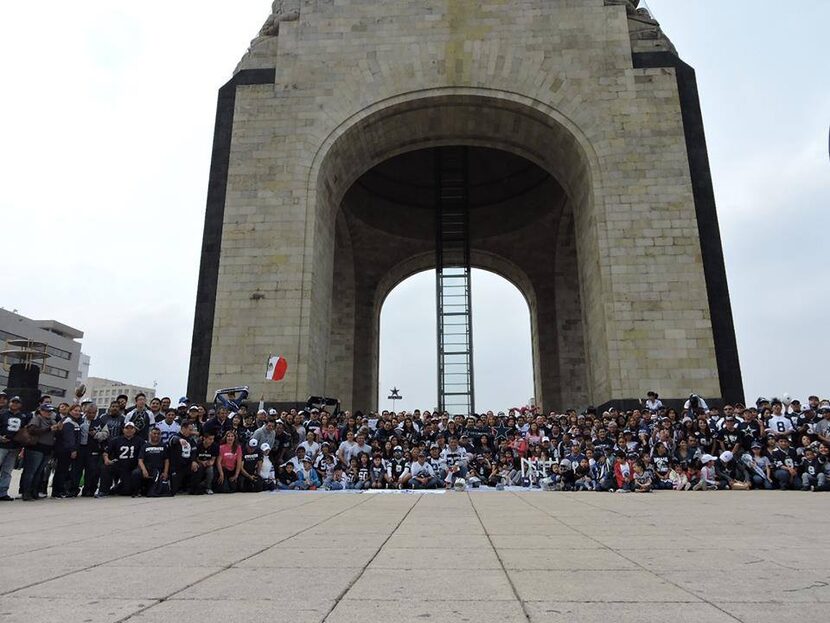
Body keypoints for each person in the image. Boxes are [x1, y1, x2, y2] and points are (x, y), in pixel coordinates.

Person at [20, 403, 60, 501]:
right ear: (41, 411)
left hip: (47, 449)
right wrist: (48, 429)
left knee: (39, 472)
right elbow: (32, 430)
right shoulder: (37, 419)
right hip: (36, 448)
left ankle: (34, 491)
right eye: (46, 411)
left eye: (50, 411)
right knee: (31, 472)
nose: (49, 413)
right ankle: (26, 492)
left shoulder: (52, 421)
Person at [99, 421, 144, 497]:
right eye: (127, 428)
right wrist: (107, 460)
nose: (129, 430)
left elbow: (143, 455)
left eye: (131, 428)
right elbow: (106, 452)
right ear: (123, 430)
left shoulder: (140, 441)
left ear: (134, 430)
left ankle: (118, 488)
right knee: (105, 468)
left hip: (132, 467)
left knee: (126, 491)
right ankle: (103, 491)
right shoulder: (116, 440)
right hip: (119, 465)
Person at [0, 395, 29, 501]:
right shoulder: (2, 413)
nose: (14, 404)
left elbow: (24, 431)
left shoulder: (23, 416)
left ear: (20, 405)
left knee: (7, 471)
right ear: (9, 403)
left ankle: (3, 492)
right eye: (13, 402)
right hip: (2, 445)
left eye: (17, 402)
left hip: (14, 447)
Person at [137, 427, 170, 497]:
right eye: (154, 433)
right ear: (150, 434)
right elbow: (140, 460)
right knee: (135, 473)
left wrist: (165, 472)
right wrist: (144, 470)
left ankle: (152, 492)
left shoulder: (163, 446)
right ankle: (137, 491)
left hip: (158, 469)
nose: (156, 435)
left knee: (156, 474)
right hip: (147, 469)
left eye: (158, 434)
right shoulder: (145, 446)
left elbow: (166, 460)